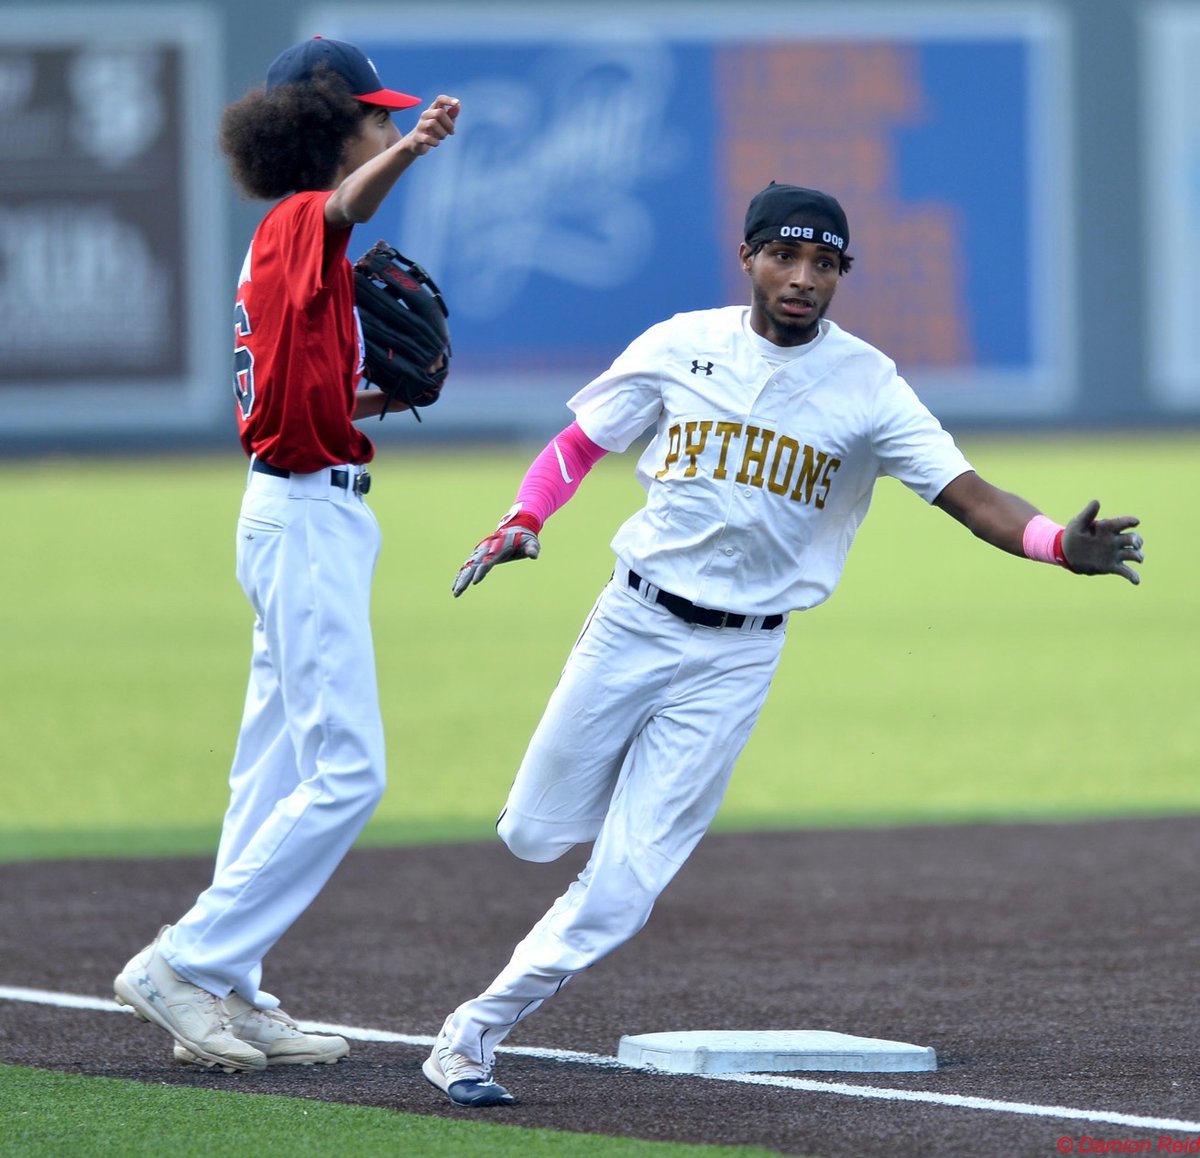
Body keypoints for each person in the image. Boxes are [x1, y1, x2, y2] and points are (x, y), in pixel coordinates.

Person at [421, 181, 1145, 1107]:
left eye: (824, 263)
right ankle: (608, 830)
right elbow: (577, 446)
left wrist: (1054, 544)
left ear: (843, 273)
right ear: (749, 259)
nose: (803, 278)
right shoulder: (682, 343)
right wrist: (524, 515)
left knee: (622, 889)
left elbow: (970, 495)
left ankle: (472, 1034)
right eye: (785, 256)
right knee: (530, 834)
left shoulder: (869, 385)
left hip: (737, 657)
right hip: (631, 622)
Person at [113, 37, 460, 1073]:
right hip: (303, 520)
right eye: (377, 118)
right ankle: (184, 963)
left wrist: (367, 398)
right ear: (324, 126)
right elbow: (347, 206)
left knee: (269, 771)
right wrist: (420, 152)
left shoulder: (286, 253)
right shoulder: (297, 224)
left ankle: (227, 984)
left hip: (304, 506)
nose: (391, 128)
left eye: (398, 121)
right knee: (349, 772)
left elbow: (292, 398)